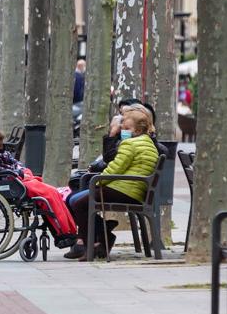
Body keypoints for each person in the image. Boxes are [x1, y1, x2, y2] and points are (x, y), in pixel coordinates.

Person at [65, 108, 159, 260]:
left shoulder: (130, 144)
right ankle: (102, 239)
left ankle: (91, 246)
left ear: (139, 129)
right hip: (133, 190)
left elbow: (116, 168)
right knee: (75, 200)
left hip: (124, 190)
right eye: (123, 128)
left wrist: (97, 182)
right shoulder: (148, 143)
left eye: (127, 129)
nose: (124, 132)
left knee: (77, 203)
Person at [0, 126, 77, 247]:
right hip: (9, 183)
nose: (2, 148)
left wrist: (22, 171)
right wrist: (20, 173)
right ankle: (64, 232)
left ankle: (66, 232)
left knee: (53, 192)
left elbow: (14, 163)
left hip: (16, 180)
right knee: (48, 195)